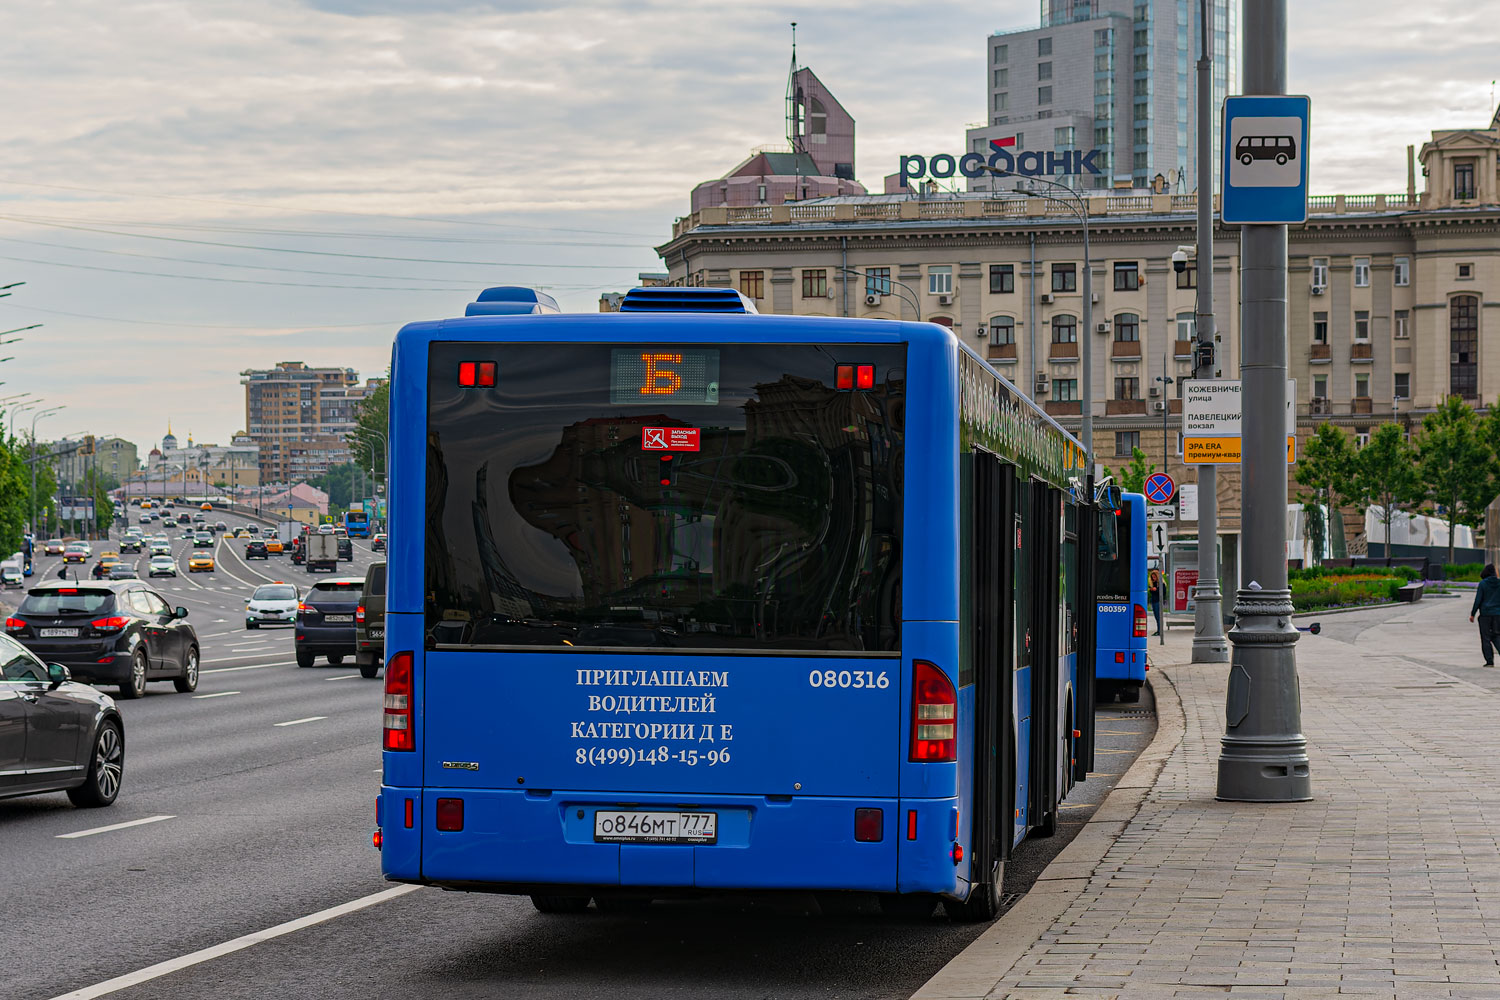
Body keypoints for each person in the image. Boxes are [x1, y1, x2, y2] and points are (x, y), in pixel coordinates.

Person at [1469, 563, 1500, 666]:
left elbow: (1478, 600)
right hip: (1498, 614)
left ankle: (1489, 661)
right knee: (1496, 636)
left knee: (1485, 637)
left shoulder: (1483, 584)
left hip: (1485, 614)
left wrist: (1473, 613)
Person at [1148, 566, 1164, 635]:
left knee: (1158, 616)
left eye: (1154, 577)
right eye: (1152, 577)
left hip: (1158, 601)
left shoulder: (1161, 584)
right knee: (1156, 616)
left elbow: (1163, 592)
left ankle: (1160, 631)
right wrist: (1152, 589)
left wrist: (1156, 590)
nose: (1153, 578)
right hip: (1154, 601)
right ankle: (1158, 630)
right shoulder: (1153, 584)